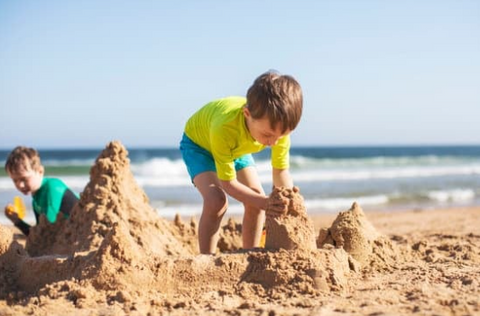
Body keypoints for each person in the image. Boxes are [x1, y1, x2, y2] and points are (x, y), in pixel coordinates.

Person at [180, 70, 303, 254]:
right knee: (217, 201)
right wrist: (265, 202)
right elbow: (229, 184)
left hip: (237, 148)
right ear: (247, 114)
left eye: (281, 136)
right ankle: (206, 259)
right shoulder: (224, 127)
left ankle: (250, 255)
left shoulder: (277, 129)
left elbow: (280, 172)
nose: (273, 143)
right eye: (267, 135)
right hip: (199, 146)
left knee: (256, 196)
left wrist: (288, 198)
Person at [3, 146, 79, 236]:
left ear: (40, 171)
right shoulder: (36, 201)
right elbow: (38, 236)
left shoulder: (52, 187)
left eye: (24, 179)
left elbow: (47, 230)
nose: (20, 185)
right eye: (15, 180)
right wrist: (17, 221)